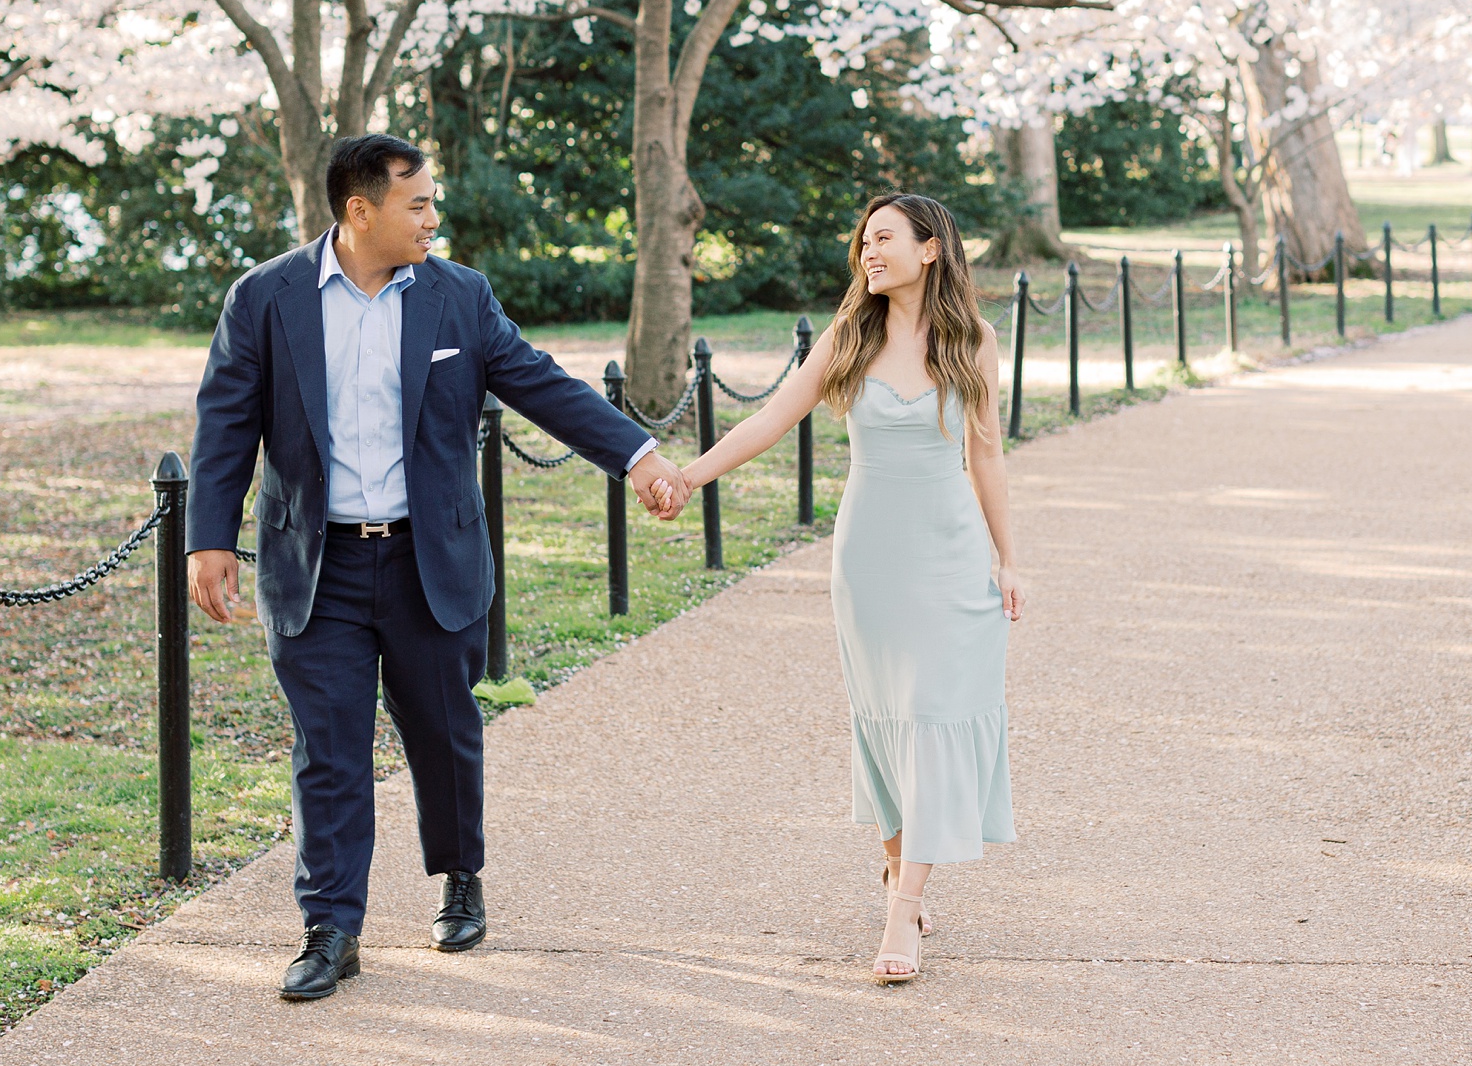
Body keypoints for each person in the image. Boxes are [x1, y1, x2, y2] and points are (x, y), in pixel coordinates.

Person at [185, 133, 692, 1002]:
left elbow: (539, 380)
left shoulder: (460, 296)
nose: (433, 216)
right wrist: (209, 535)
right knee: (329, 752)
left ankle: (459, 875)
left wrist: (636, 453)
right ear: (360, 210)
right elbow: (226, 420)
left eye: (431, 201)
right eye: (416, 203)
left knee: (444, 734)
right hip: (317, 565)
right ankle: (331, 926)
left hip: (432, 557)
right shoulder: (265, 297)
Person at [680, 192, 1021, 984]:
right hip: (870, 562)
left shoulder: (974, 340)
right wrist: (691, 475)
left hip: (952, 559)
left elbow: (989, 454)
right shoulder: (849, 338)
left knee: (934, 717)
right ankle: (899, 868)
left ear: (930, 249)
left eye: (885, 238)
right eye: (864, 240)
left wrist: (1009, 557)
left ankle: (903, 913)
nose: (869, 252)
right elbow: (771, 419)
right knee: (890, 724)